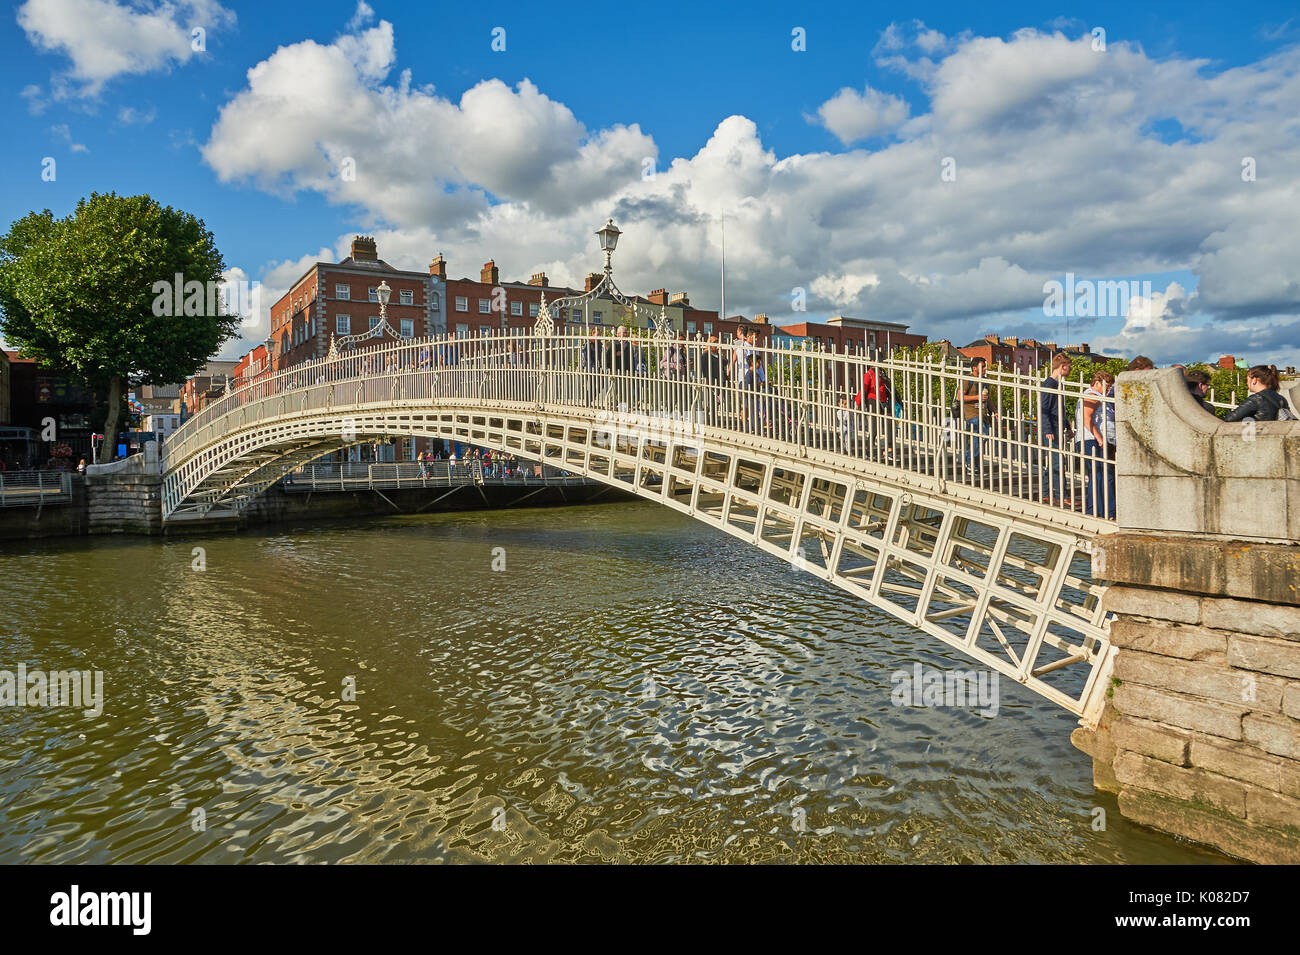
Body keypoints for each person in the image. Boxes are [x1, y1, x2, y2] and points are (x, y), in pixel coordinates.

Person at [1079, 370, 1116, 519]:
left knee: (1101, 475)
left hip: (1093, 440)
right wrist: (1100, 438)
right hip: (1091, 440)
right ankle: (1101, 511)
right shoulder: (1092, 396)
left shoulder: (1097, 396)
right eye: (1107, 387)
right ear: (1098, 383)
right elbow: (1087, 419)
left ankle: (1100, 510)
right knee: (1101, 475)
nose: (1108, 391)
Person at [1039, 353, 1073, 504]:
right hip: (1052, 430)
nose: (1070, 369)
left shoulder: (1055, 384)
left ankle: (1046, 493)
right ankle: (1061, 496)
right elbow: (1044, 409)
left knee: (1054, 462)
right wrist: (1047, 430)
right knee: (1059, 462)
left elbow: (1058, 409)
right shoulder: (1049, 384)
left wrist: (1068, 427)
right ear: (1062, 366)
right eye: (1069, 366)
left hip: (1057, 427)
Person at [960, 357, 994, 469]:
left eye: (985, 366)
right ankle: (969, 460)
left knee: (981, 437)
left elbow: (988, 399)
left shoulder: (985, 380)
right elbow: (960, 397)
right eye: (982, 366)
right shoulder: (967, 379)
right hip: (971, 414)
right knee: (981, 435)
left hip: (983, 414)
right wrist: (977, 397)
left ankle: (974, 462)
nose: (985, 368)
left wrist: (995, 411)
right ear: (974, 368)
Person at [1224, 365, 1290, 422]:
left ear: (1254, 380)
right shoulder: (1281, 399)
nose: (1247, 383)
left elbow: (1229, 418)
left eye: (1247, 380)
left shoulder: (1256, 398)